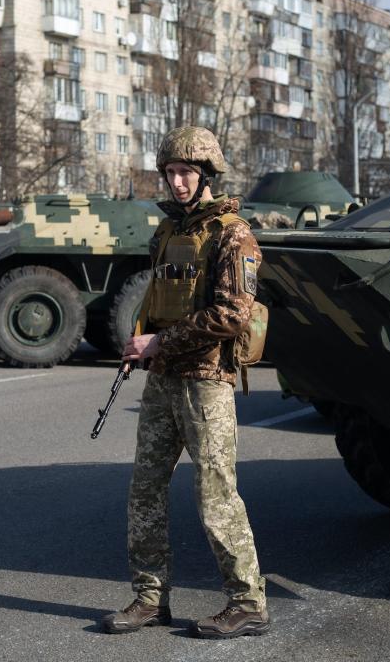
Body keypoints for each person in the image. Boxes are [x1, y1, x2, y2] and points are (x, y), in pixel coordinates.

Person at [101, 127, 270, 639]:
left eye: (186, 173)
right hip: (165, 379)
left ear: (206, 177)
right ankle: (150, 599)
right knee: (146, 489)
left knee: (216, 494)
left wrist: (159, 343)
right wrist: (140, 344)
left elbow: (233, 314)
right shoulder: (168, 233)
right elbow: (156, 300)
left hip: (206, 382)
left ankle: (248, 602)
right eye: (171, 172)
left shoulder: (232, 234)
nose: (177, 182)